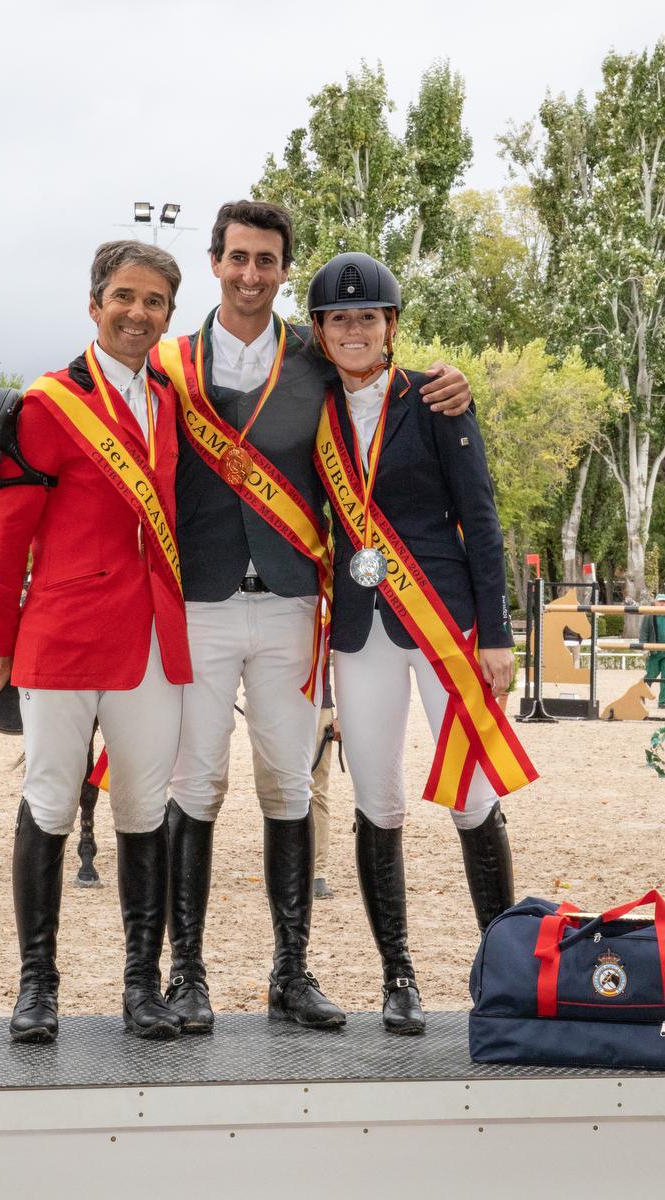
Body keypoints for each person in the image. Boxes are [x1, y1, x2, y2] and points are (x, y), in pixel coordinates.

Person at [152, 201, 475, 1034]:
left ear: (285, 270)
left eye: (267, 261)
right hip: (204, 601)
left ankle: (289, 973)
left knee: (289, 784)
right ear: (216, 261)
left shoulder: (315, 351)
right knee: (197, 784)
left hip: (296, 600)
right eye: (238, 259)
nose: (252, 274)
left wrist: (453, 380)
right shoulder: (170, 364)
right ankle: (186, 974)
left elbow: (385, 376)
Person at [0, 241, 191, 1043]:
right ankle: (37, 987)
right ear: (95, 306)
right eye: (124, 297)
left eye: (154, 301)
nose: (137, 313)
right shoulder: (48, 405)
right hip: (61, 638)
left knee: (142, 809)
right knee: (51, 803)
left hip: (153, 643)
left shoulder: (172, 399)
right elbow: (6, 534)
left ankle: (141, 988)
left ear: (169, 315)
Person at [308, 251, 537, 1035]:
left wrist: (499, 633)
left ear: (391, 325)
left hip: (444, 621)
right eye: (339, 319)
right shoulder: (311, 405)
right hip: (361, 629)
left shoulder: (436, 400)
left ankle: (502, 972)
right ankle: (397, 974)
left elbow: (483, 518)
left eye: (367, 316)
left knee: (473, 798)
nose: (354, 329)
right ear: (321, 331)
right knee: (378, 796)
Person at [251, 662, 341, 900]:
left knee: (317, 788)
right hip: (272, 700)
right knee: (274, 786)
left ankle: (317, 872)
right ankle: (285, 865)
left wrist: (342, 713)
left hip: (318, 702)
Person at [641, 594, 665, 708]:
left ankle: (662, 702)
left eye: (664, 602)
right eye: (660, 601)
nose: (662, 604)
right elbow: (644, 632)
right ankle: (640, 695)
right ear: (655, 602)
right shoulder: (649, 615)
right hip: (654, 652)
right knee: (651, 675)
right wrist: (644, 648)